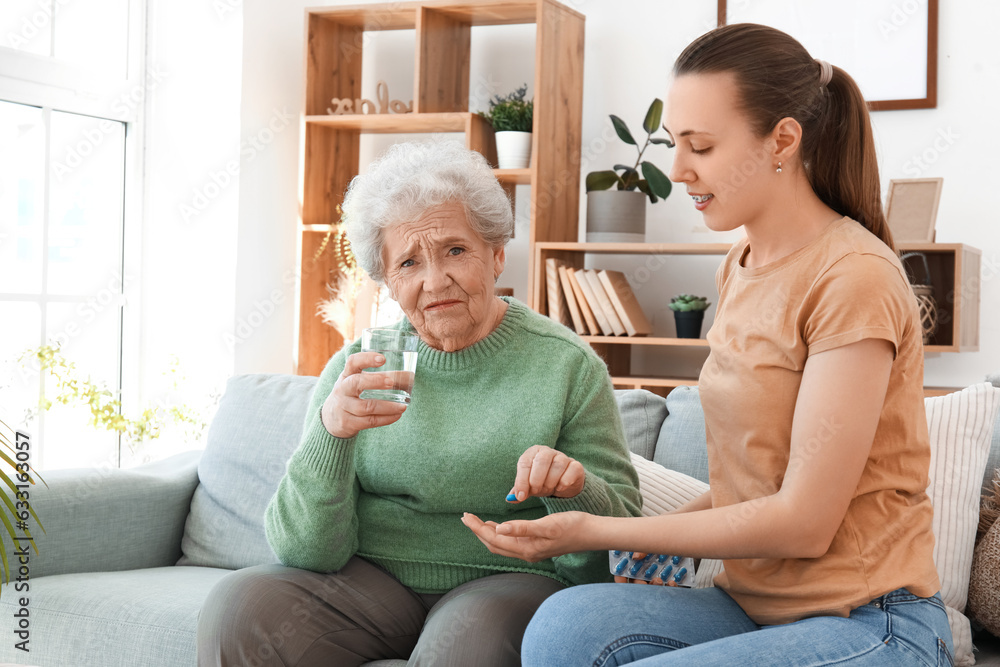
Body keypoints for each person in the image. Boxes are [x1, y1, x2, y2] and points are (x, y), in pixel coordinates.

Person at [462, 23, 954, 666]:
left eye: (701, 146)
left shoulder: (854, 277)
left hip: (870, 619)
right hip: (752, 603)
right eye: (674, 144)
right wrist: (655, 541)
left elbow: (804, 522)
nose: (678, 170)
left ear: (782, 140)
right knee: (563, 630)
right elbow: (752, 476)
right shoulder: (741, 263)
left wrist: (601, 529)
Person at [196, 140, 642, 667]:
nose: (435, 281)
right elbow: (304, 552)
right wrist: (329, 434)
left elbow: (618, 551)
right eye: (409, 262)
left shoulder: (566, 366)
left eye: (455, 250)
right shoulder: (359, 368)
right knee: (241, 607)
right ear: (388, 283)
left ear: (496, 254)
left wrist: (573, 487)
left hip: (504, 582)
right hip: (372, 584)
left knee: (466, 642)